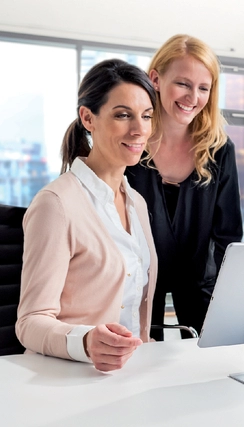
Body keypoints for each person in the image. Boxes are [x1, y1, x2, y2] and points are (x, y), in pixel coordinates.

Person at [16, 59, 158, 372]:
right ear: (88, 118)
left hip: (133, 374)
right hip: (72, 377)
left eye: (146, 116)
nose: (139, 130)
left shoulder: (137, 202)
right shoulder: (56, 204)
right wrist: (86, 341)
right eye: (123, 115)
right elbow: (30, 323)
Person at [126, 35, 243, 340]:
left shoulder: (218, 149)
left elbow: (227, 232)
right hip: (134, 282)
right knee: (136, 364)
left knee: (211, 363)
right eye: (183, 84)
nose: (193, 97)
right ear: (156, 79)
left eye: (203, 88)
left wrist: (226, 294)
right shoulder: (130, 143)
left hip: (198, 283)